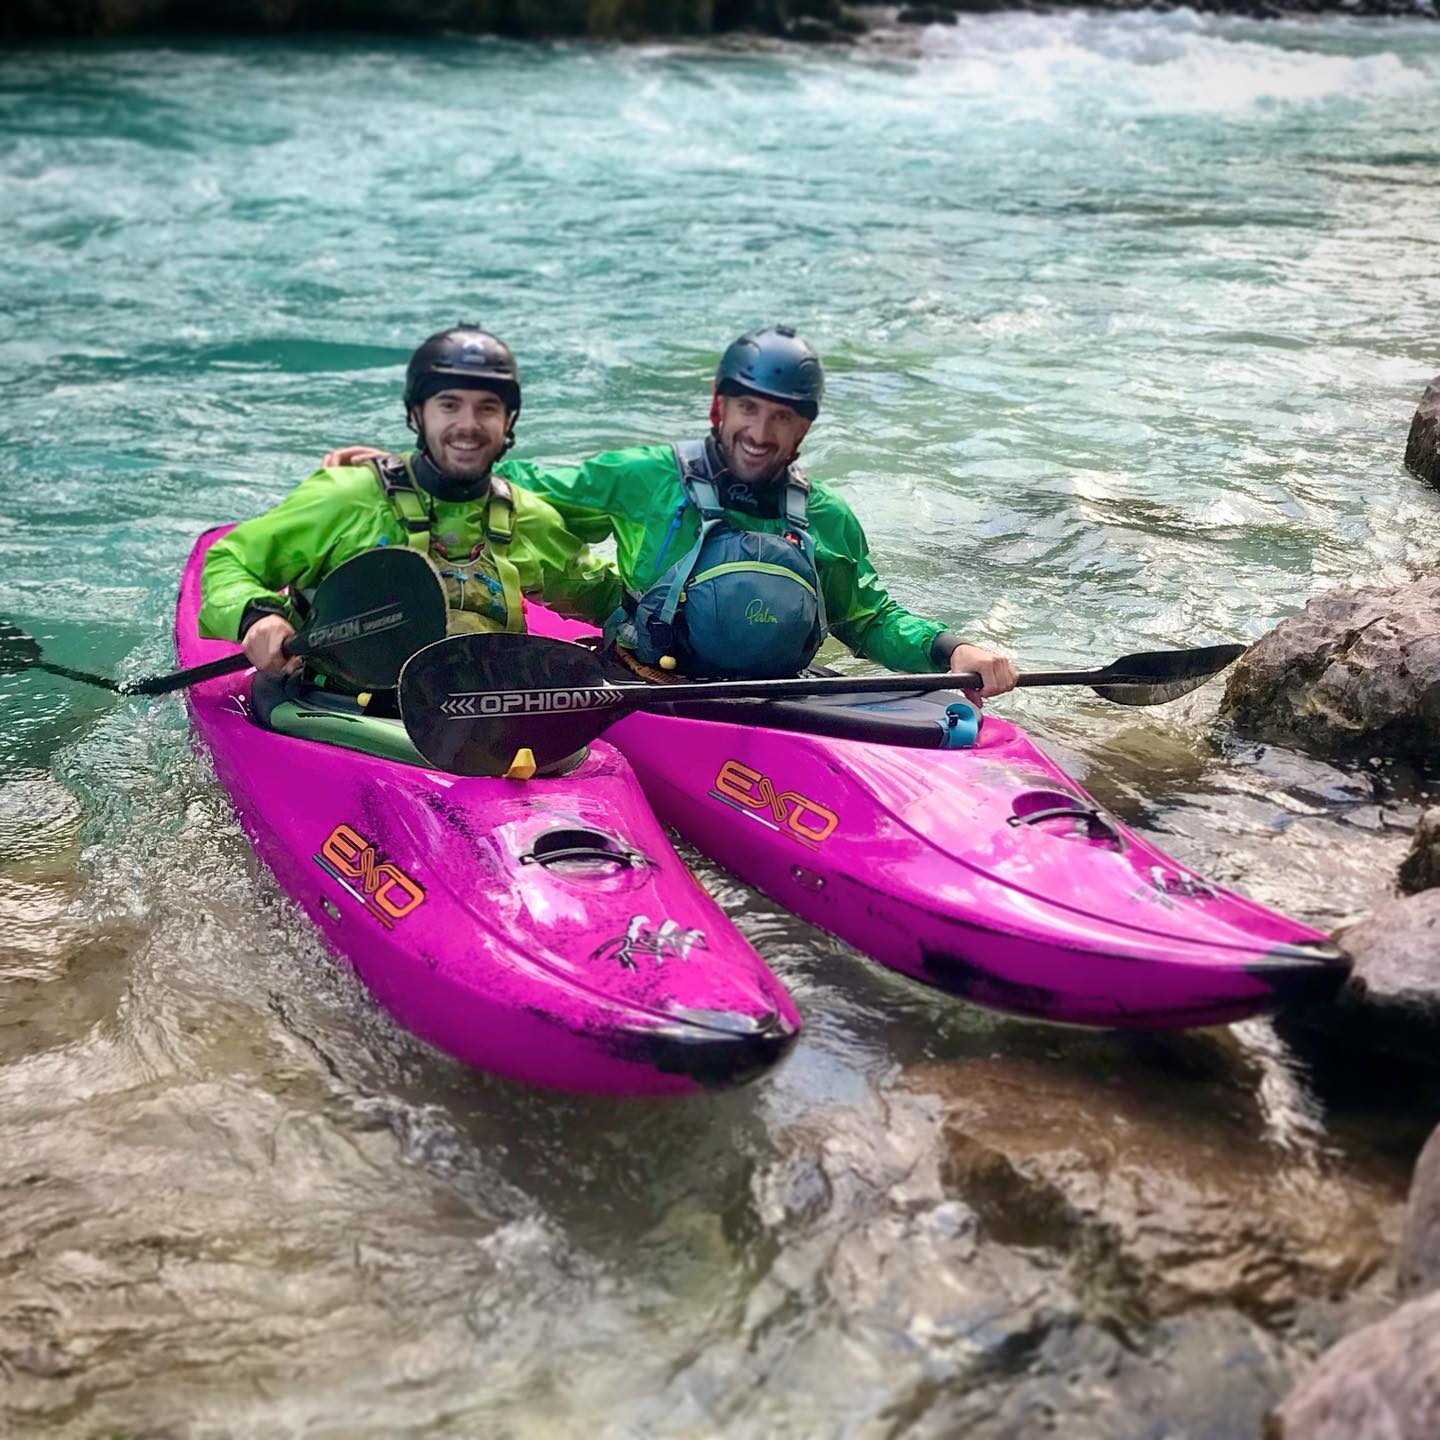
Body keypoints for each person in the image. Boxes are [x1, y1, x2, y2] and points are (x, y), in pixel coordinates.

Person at [321, 326, 1018, 696]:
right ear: (719, 407)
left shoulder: (824, 516)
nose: (760, 433)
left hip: (774, 694)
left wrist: (950, 649)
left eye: (782, 417)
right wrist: (406, 470)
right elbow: (514, 485)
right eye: (747, 410)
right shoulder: (646, 478)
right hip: (642, 685)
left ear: (804, 427)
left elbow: (866, 618)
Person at [200, 326, 622, 676]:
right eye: (449, 405)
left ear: (508, 421)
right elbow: (230, 560)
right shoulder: (348, 498)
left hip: (479, 710)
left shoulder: (526, 518)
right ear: (417, 414)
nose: (468, 425)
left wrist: (650, 615)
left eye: (487, 409)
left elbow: (602, 598)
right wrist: (256, 617)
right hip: (342, 706)